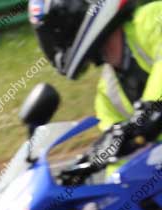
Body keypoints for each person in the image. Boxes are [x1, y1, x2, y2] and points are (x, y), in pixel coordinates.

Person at [30, 0, 162, 163]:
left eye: (60, 30)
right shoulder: (108, 93)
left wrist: (148, 111)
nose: (58, 43)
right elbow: (123, 165)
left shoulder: (152, 18)